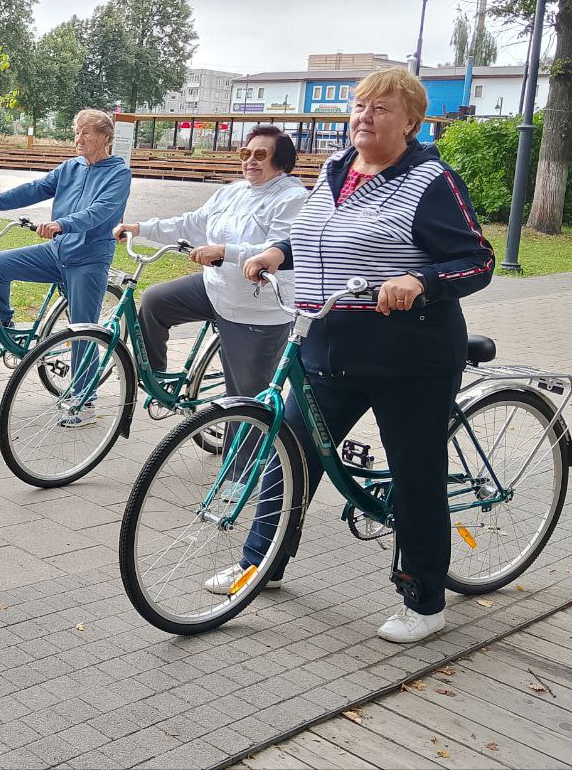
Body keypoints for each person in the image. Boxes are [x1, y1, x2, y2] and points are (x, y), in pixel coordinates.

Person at [216, 67, 494, 644]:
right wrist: (276, 252)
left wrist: (419, 280)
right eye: (359, 106)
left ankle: (424, 599)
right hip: (326, 344)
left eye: (381, 109)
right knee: (289, 455)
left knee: (416, 475)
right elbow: (321, 236)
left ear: (412, 121)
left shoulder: (431, 180)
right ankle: (258, 564)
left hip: (408, 357)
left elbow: (476, 260)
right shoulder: (336, 170)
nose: (364, 117)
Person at [113, 126, 308, 416]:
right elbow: (191, 223)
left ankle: (242, 461)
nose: (249, 160)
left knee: (243, 404)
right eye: (245, 153)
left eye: (260, 154)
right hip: (217, 288)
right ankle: (157, 379)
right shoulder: (233, 191)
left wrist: (224, 251)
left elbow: (277, 248)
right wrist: (140, 228)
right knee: (155, 302)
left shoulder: (293, 198)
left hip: (255, 307)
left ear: (281, 161)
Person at [0, 108, 131, 426]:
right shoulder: (71, 167)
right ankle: (5, 327)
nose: (78, 138)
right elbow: (34, 189)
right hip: (56, 252)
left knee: (83, 330)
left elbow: (100, 212)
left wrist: (61, 223)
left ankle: (85, 403)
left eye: (86, 132)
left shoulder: (118, 173)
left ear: (105, 137)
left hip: (88, 259)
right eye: (76, 132)